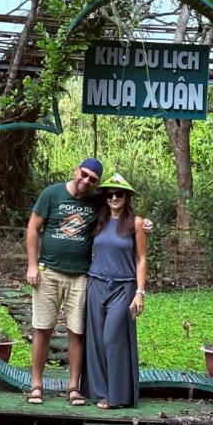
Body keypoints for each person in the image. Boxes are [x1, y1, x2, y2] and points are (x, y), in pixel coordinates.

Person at [25, 157, 104, 406]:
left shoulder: (96, 201)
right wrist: (32, 265)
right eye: (84, 174)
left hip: (80, 275)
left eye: (92, 179)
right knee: (42, 329)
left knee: (76, 332)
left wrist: (142, 223)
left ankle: (73, 388)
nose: (86, 181)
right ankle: (36, 385)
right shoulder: (52, 194)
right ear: (76, 170)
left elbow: (120, 211)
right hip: (48, 272)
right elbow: (32, 228)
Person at [81, 172, 146, 409]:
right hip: (97, 284)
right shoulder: (99, 220)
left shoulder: (136, 223)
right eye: (110, 194)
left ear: (127, 197)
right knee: (96, 340)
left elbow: (141, 259)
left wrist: (140, 292)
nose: (114, 198)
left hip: (124, 287)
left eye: (119, 194)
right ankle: (100, 392)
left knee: (112, 338)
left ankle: (118, 395)